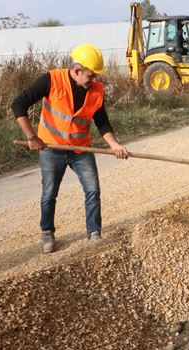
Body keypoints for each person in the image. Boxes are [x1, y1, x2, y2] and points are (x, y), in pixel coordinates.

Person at [11, 43, 129, 254]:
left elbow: (102, 122)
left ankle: (94, 233)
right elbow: (18, 104)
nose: (95, 80)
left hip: (80, 150)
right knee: (49, 193)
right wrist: (31, 136)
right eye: (91, 76)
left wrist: (114, 145)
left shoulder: (96, 90)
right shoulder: (51, 80)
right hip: (51, 149)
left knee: (92, 190)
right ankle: (47, 233)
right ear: (77, 71)